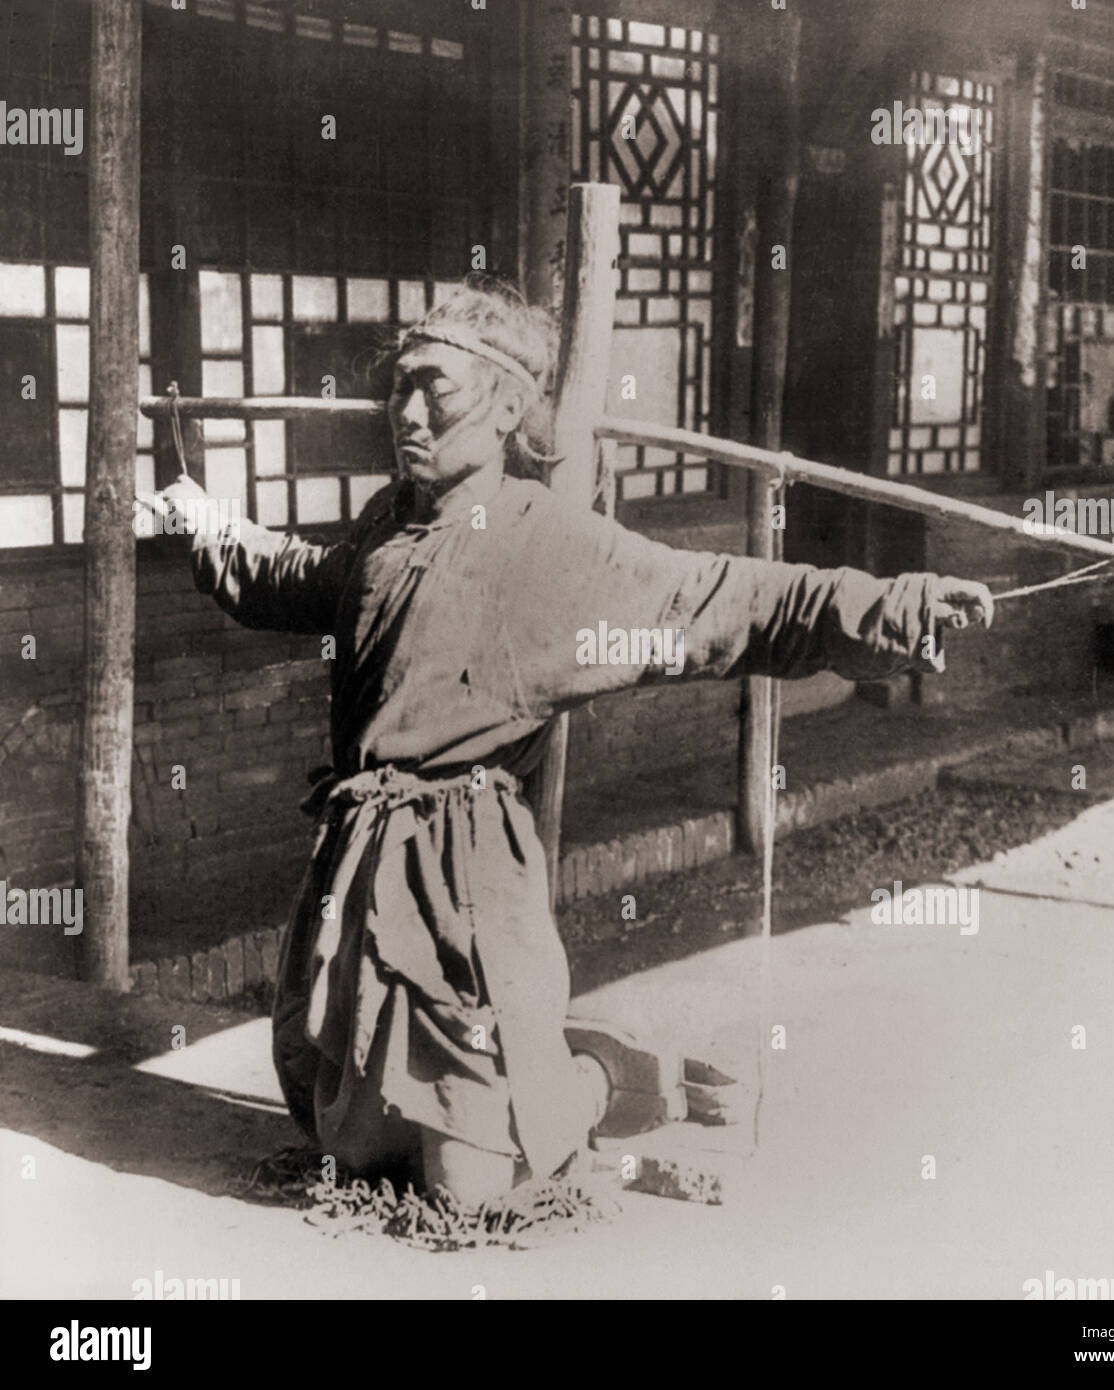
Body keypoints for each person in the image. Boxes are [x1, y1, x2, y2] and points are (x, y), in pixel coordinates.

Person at [143, 279, 994, 1207]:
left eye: (437, 388)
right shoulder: (389, 521)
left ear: (508, 406)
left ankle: (597, 1080)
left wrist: (890, 607)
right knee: (355, 1146)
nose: (408, 411)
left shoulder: (548, 545)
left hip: (465, 884)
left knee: (469, 1189)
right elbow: (306, 584)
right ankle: (507, 1082)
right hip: (362, 868)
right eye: (398, 387)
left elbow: (724, 600)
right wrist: (208, 523)